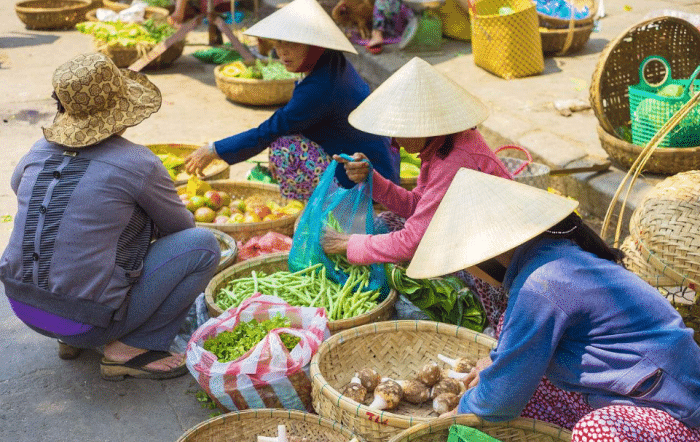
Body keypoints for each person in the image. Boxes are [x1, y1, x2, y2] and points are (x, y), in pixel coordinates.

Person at [406, 168, 700, 440]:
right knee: (511, 365)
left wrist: (460, 410)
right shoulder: (551, 258)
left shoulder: (541, 283)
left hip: (679, 415)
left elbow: (500, 399)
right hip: (631, 390)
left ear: (488, 255)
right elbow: (525, 358)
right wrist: (495, 368)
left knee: (596, 431)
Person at [0, 53, 221, 381]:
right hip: (85, 321)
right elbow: (180, 230)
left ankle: (68, 336)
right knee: (204, 245)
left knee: (80, 233)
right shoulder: (138, 162)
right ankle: (129, 348)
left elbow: (23, 192)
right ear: (123, 112)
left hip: (22, 305)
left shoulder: (38, 150)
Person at [184, 0, 400, 201]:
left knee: (283, 146)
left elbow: (269, 130)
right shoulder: (333, 63)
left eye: (292, 44)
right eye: (279, 43)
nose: (282, 52)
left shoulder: (320, 88)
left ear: (315, 44)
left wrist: (213, 150)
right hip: (379, 167)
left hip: (367, 183)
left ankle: (320, 208)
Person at [320, 56, 512, 268]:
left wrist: (347, 244)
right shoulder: (439, 144)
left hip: (492, 260)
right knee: (385, 224)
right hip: (464, 237)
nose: (395, 143)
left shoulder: (454, 160)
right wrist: (370, 178)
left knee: (395, 255)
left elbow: (411, 242)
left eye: (400, 132)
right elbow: (418, 206)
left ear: (423, 125)